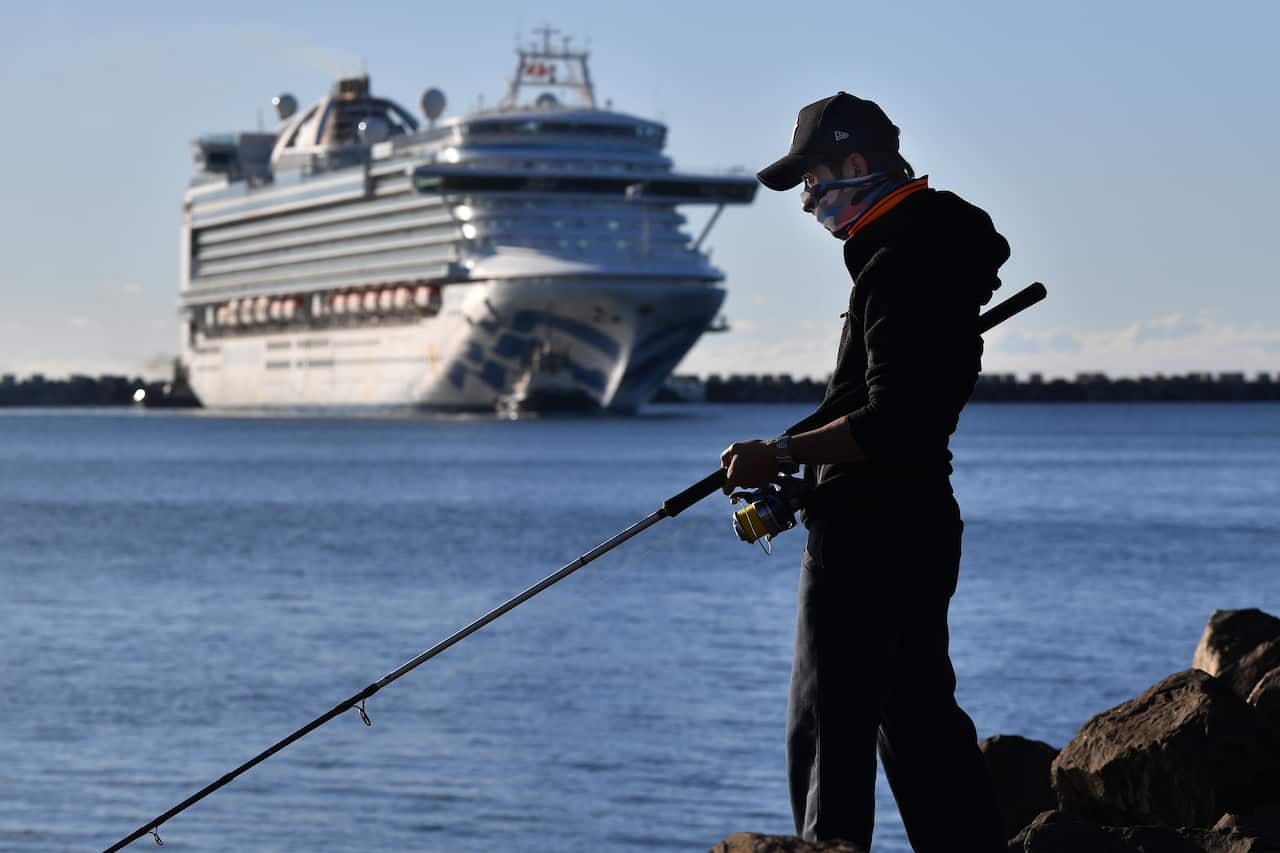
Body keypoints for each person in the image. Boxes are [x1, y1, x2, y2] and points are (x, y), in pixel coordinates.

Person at [719, 92, 1009, 851]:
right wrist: (794, 451)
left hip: (865, 536)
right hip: (920, 523)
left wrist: (779, 456)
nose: (810, 202)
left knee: (826, 728)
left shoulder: (896, 264)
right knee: (918, 722)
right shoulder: (930, 249)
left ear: (856, 164)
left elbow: (893, 421)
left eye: (812, 182)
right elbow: (877, 404)